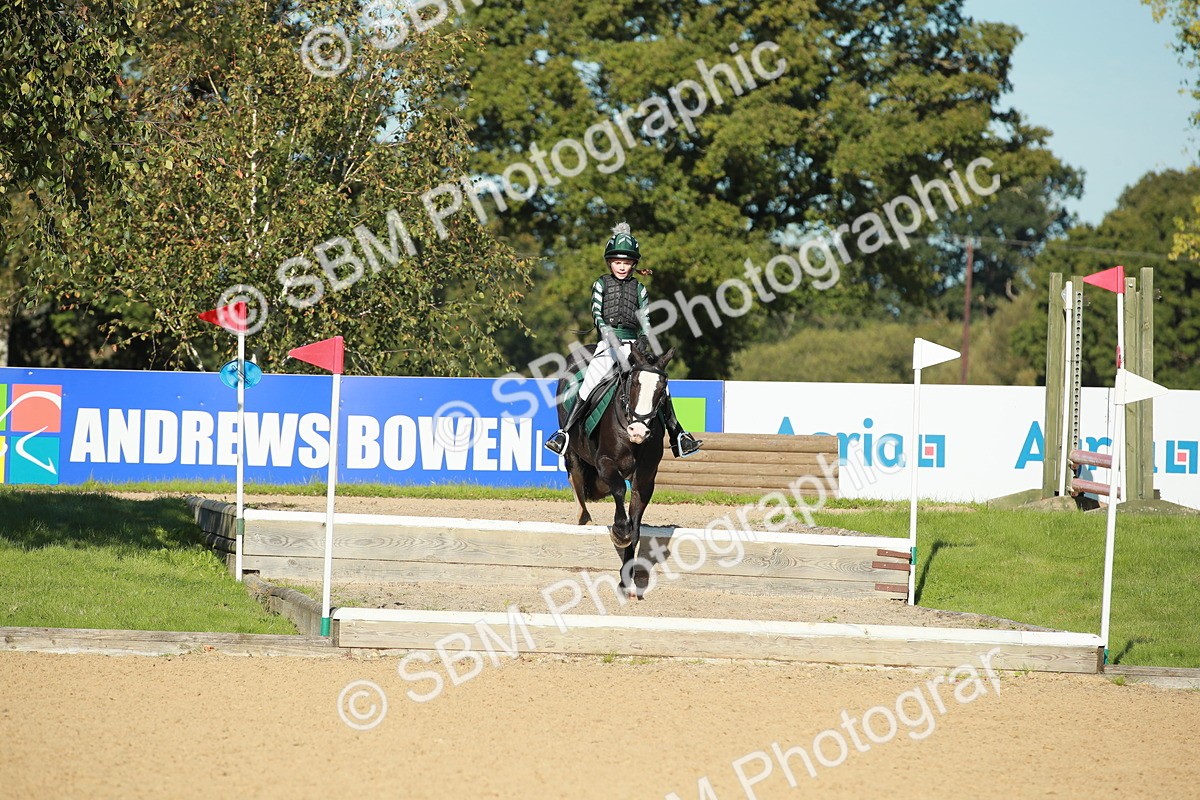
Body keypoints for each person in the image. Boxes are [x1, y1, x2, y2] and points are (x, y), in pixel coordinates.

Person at [544, 222, 703, 458]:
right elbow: (597, 313)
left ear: (633, 264)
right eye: (618, 262)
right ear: (610, 263)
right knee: (590, 381)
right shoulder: (600, 284)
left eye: (627, 262)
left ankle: (677, 435)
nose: (622, 266)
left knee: (659, 384)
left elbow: (645, 318)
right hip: (607, 344)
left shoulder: (639, 288)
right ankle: (564, 433)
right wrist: (608, 334)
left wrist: (643, 338)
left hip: (633, 346)